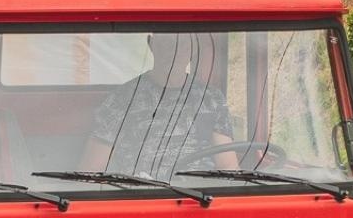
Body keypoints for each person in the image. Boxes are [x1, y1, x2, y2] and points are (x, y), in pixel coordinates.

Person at [82, 32, 240, 179]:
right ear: (151, 44)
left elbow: (228, 165)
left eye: (183, 44)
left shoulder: (211, 99)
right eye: (167, 42)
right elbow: (92, 169)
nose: (174, 51)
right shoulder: (121, 99)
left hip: (199, 198)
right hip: (144, 196)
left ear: (193, 49)